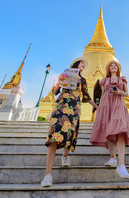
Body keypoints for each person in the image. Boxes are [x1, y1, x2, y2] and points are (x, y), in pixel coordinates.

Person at [41, 58, 98, 187]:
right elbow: (55, 92)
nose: (83, 66)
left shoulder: (83, 80)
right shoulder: (65, 75)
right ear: (75, 65)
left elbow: (86, 96)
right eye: (81, 64)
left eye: (84, 64)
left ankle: (65, 156)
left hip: (74, 108)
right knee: (54, 135)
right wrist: (59, 83)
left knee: (70, 133)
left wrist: (98, 107)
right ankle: (48, 175)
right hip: (61, 106)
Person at [90, 60, 129, 179]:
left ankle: (121, 165)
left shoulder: (122, 79)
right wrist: (100, 108)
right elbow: (103, 93)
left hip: (118, 103)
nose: (113, 67)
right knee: (107, 129)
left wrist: (119, 92)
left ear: (118, 68)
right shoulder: (104, 81)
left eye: (115, 65)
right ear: (108, 69)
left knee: (120, 131)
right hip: (106, 104)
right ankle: (113, 157)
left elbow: (126, 93)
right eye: (111, 65)